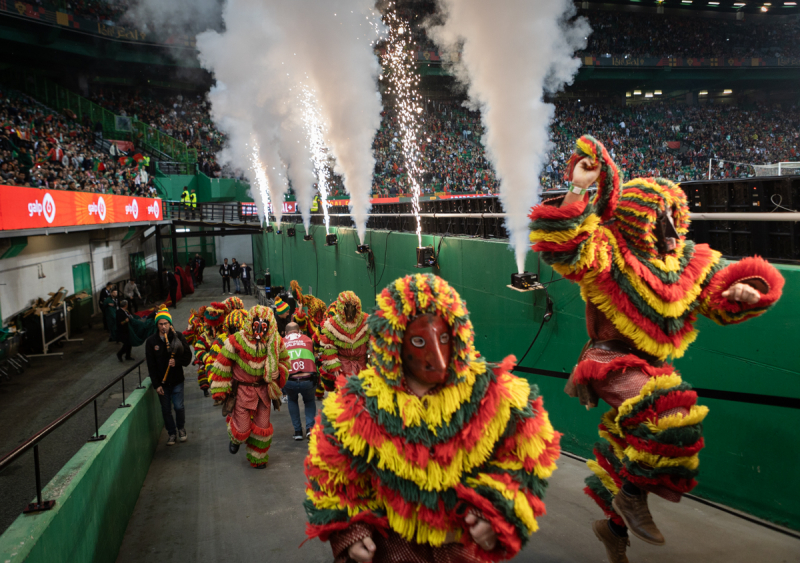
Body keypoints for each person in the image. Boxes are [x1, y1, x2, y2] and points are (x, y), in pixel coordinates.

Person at [528, 135, 785, 563]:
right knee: (671, 420)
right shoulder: (607, 249)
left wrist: (746, 289)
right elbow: (563, 246)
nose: (666, 226)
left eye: (672, 215)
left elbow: (718, 287)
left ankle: (613, 529)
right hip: (608, 361)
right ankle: (631, 498)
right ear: (634, 218)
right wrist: (578, 189)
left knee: (646, 445)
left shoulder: (685, 259)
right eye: (655, 216)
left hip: (652, 367)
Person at [304, 274, 561, 562]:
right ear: (395, 343)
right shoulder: (359, 405)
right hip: (392, 548)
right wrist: (352, 529)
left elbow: (527, 452)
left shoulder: (490, 394)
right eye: (418, 341)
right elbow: (333, 472)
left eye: (443, 339)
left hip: (462, 548)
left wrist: (496, 505)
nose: (437, 359)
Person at [209, 305, 290, 468]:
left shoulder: (276, 341)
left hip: (264, 391)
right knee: (242, 429)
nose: (260, 325)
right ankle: (235, 436)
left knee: (262, 427)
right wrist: (220, 389)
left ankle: (258, 457)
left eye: (264, 322)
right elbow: (222, 364)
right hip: (242, 391)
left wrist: (279, 372)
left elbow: (285, 362)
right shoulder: (236, 340)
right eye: (257, 321)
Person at [145, 307, 193, 446]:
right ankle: (171, 433)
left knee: (178, 407)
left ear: (170, 324)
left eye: (166, 323)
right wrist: (156, 385)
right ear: (157, 325)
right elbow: (151, 365)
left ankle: (181, 428)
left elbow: (188, 357)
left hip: (177, 380)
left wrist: (176, 362)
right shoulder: (151, 342)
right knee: (166, 410)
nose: (163, 326)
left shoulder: (178, 337)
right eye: (160, 324)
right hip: (162, 383)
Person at [318, 291, 369, 391]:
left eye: (353, 309)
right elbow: (328, 345)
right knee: (344, 393)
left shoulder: (365, 320)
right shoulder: (332, 324)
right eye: (347, 309)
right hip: (343, 364)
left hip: (361, 363)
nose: (350, 314)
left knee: (362, 393)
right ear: (342, 309)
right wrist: (334, 365)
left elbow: (373, 341)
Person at [291, 280, 328, 400]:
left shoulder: (324, 324)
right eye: (317, 312)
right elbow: (300, 321)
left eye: (321, 312)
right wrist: (300, 308)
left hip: (321, 351)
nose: (319, 315)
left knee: (320, 371)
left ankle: (319, 391)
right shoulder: (308, 321)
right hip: (310, 351)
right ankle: (310, 389)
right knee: (312, 371)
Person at [282, 322, 317, 440]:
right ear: (299, 331)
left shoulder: (281, 342)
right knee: (309, 401)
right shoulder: (307, 339)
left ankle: (297, 432)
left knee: (292, 400)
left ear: (286, 333)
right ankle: (310, 429)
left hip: (290, 380)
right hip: (308, 379)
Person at [193, 302, 228, 398]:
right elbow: (198, 348)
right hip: (209, 360)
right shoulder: (204, 334)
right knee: (204, 372)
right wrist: (207, 358)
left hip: (223, 361)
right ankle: (211, 391)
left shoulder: (225, 332)